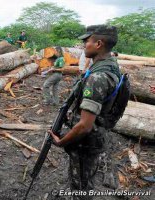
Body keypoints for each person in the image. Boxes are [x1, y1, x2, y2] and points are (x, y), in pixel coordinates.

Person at [50, 25, 121, 199]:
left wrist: (61, 142)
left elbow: (84, 126)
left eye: (86, 41)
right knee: (85, 180)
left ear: (98, 44)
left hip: (85, 142)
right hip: (95, 137)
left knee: (81, 186)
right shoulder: (110, 65)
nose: (83, 45)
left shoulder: (97, 78)